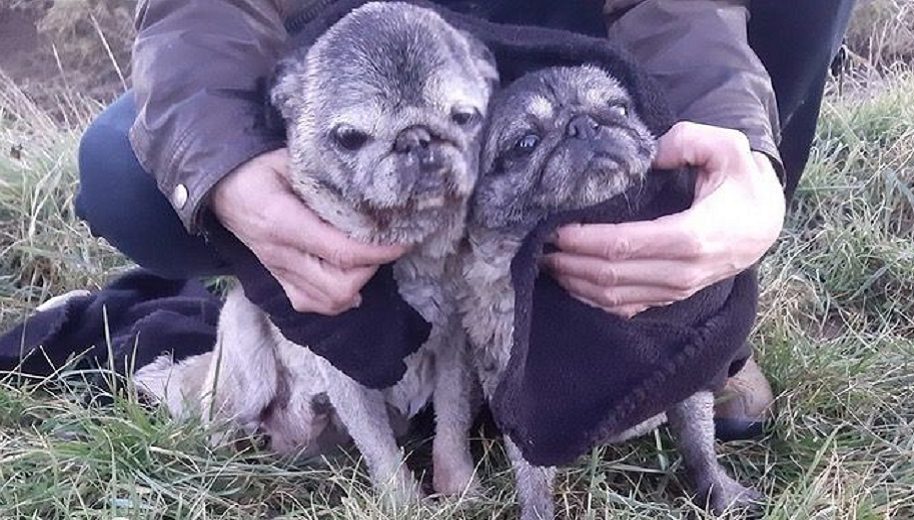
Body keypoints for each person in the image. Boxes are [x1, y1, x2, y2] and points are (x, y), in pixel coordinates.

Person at [74, 0, 856, 439]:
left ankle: (693, 318)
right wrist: (223, 167)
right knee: (127, 170)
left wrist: (744, 151)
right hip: (358, 41)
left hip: (570, 20)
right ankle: (354, 321)